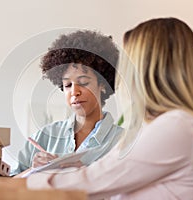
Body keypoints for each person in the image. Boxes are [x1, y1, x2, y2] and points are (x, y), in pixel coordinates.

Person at [26, 17, 193, 199]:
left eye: (128, 62)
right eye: (67, 85)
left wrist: (31, 180)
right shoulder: (168, 126)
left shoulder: (177, 126)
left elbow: (92, 181)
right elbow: (107, 182)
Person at [13, 30, 124, 174]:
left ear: (102, 84)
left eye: (83, 83)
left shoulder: (122, 142)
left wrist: (85, 174)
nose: (74, 92)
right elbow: (10, 183)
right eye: (67, 85)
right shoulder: (46, 135)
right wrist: (32, 171)